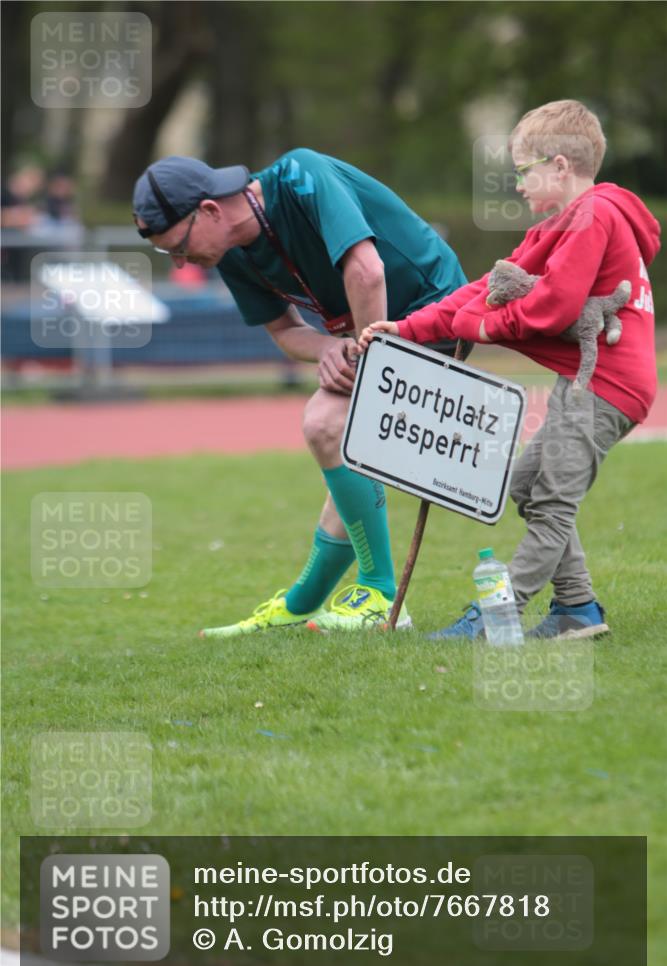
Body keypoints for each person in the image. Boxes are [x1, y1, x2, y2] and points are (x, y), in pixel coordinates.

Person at [132, 148, 470, 635]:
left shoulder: (301, 175)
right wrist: (329, 348)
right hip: (373, 330)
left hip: (436, 310)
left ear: (209, 210)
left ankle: (379, 594)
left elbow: (367, 271)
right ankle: (301, 606)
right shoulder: (229, 252)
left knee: (326, 423)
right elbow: (285, 332)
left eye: (178, 246)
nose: (182, 261)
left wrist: (364, 355)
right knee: (346, 465)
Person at [356, 100, 660, 639]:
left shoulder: (594, 215)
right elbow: (488, 288)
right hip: (585, 383)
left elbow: (555, 306)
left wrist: (482, 327)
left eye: (523, 171)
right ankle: (577, 608)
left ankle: (497, 617)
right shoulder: (561, 224)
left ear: (560, 166)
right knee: (525, 486)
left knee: (552, 503)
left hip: (607, 386)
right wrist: (407, 328)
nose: (517, 185)